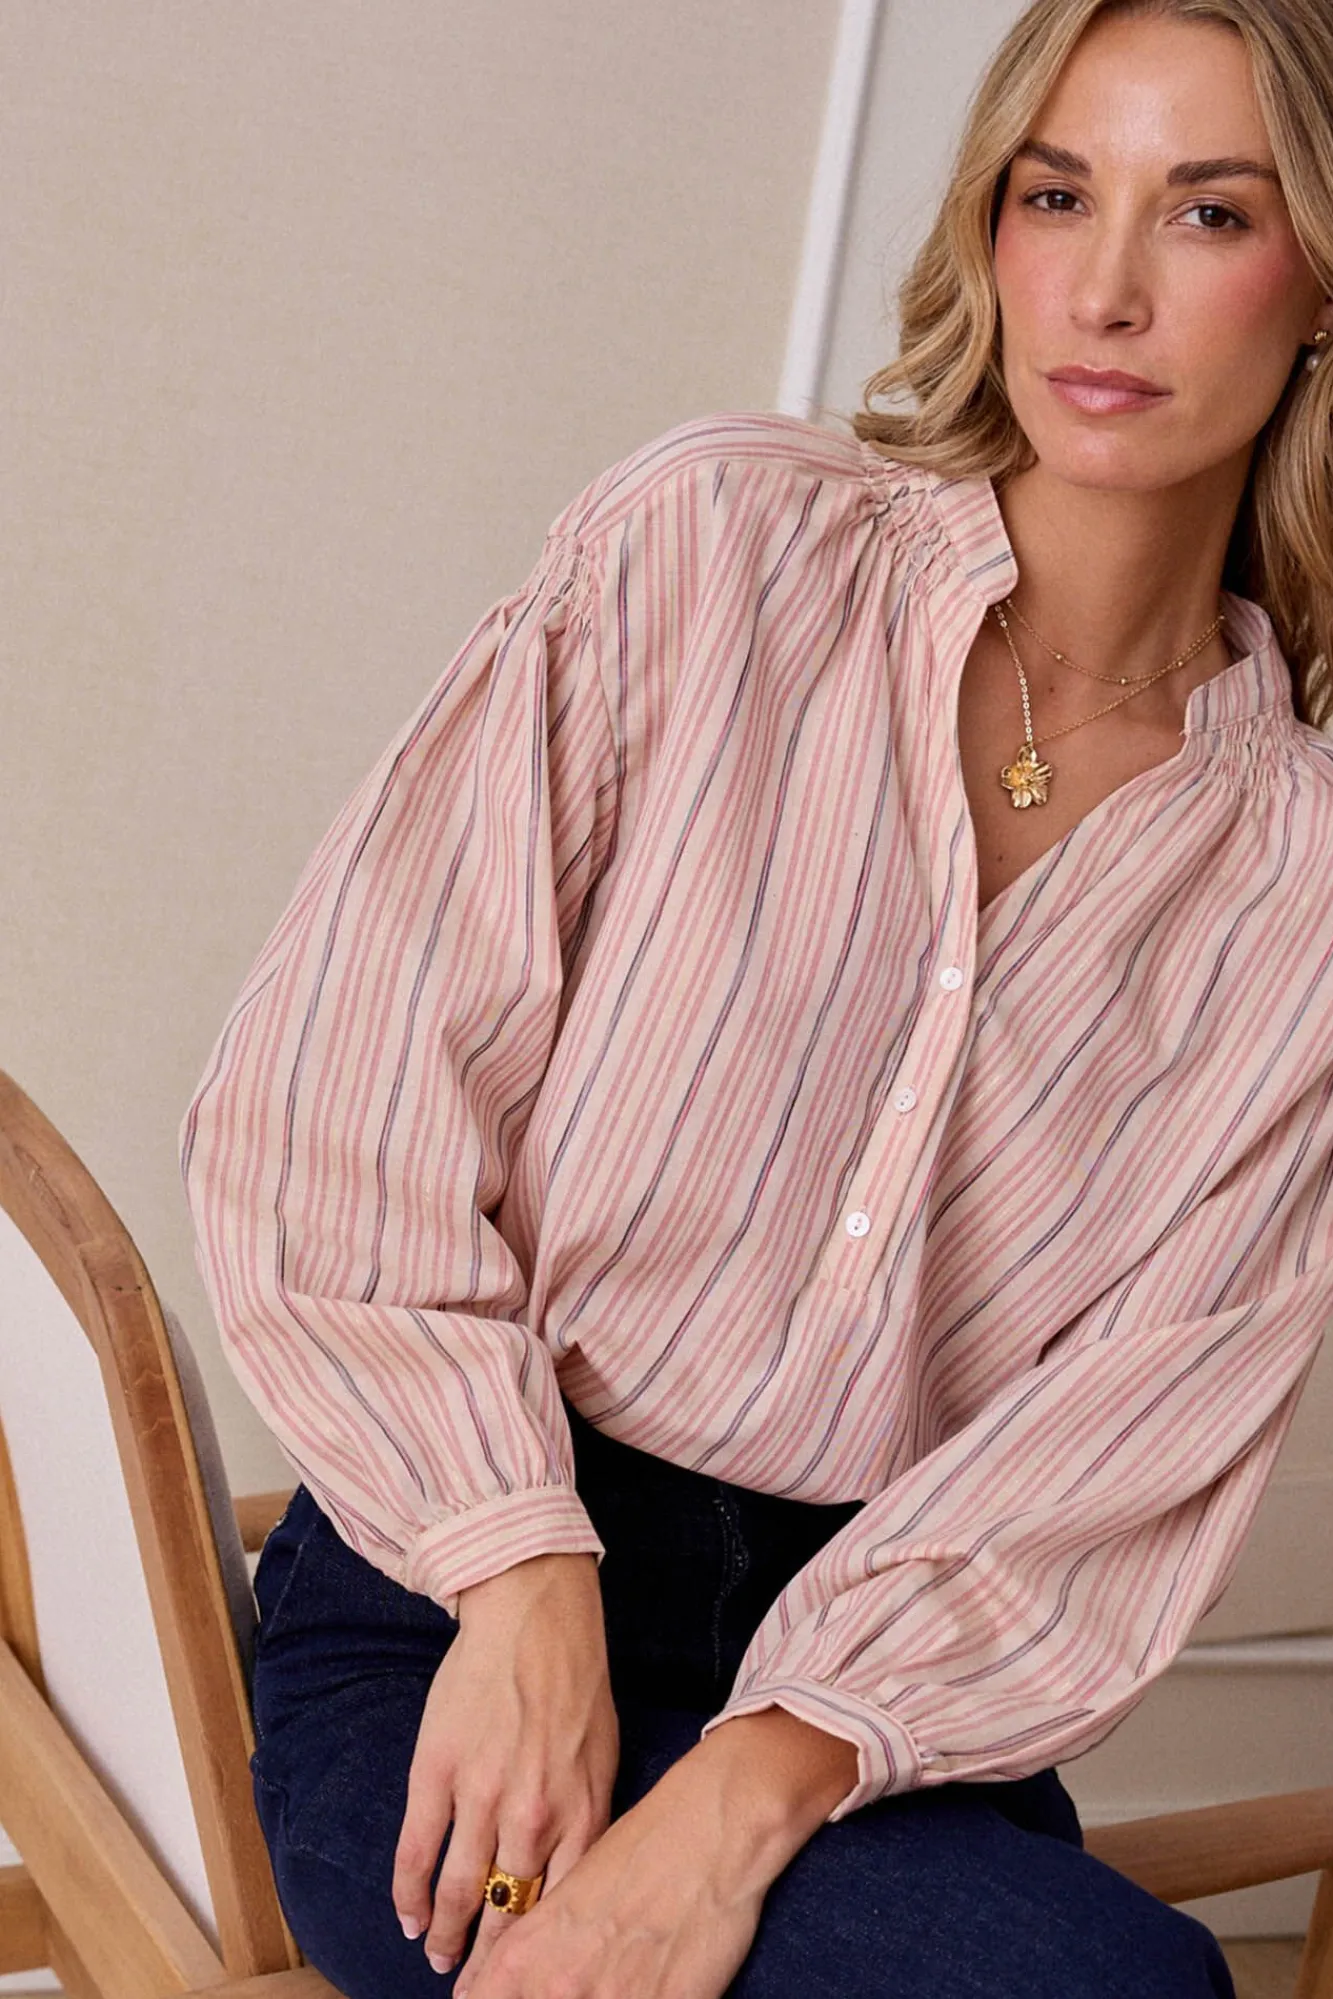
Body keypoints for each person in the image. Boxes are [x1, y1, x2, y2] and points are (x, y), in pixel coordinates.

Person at [181, 0, 1333, 1993]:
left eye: (1210, 213)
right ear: (991, 227)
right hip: (464, 1580)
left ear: (1316, 286)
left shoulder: (1299, 885)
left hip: (878, 1698)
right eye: (1060, 196)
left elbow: (1115, 1457)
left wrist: (738, 1799)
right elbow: (342, 1103)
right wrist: (523, 1580)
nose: (1108, 290)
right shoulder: (714, 551)